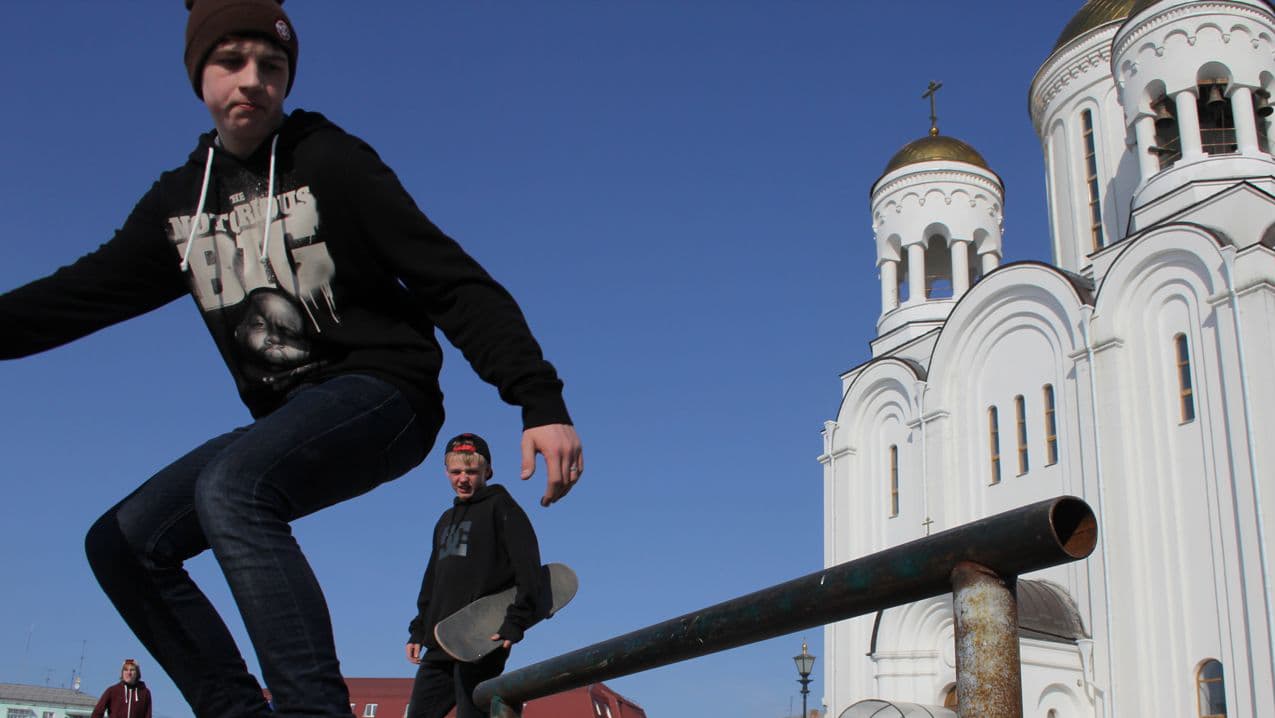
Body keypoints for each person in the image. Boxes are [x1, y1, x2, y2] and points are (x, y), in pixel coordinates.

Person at [0, 2, 583, 717]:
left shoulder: (330, 160)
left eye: (270, 67)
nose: (252, 82)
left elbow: (447, 277)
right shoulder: (180, 206)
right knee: (122, 543)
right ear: (198, 75)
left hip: (386, 393)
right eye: (230, 63)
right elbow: (78, 295)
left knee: (232, 488)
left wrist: (536, 397)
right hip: (294, 415)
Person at [405, 433, 545, 718]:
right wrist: (418, 629)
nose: (463, 479)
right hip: (440, 639)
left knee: (472, 714)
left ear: (487, 471)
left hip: (481, 636)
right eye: (456, 472)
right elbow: (432, 579)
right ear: (446, 472)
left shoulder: (502, 508)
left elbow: (528, 566)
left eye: (471, 472)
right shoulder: (444, 520)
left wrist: (516, 621)